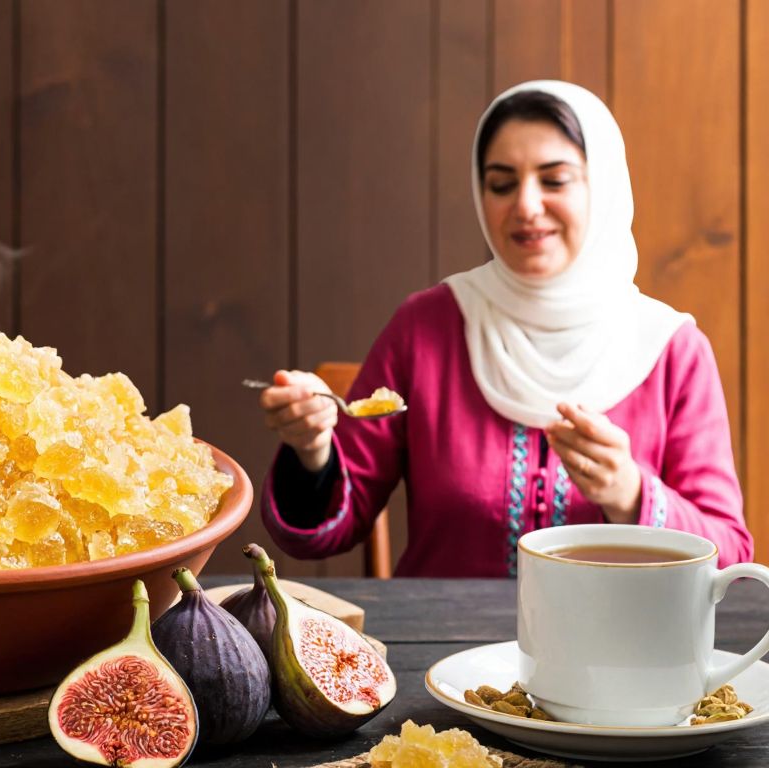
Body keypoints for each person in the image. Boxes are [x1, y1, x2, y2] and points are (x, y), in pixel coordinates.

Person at [257, 80, 749, 577]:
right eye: (501, 183)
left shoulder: (670, 349)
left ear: (603, 186)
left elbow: (729, 553)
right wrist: (313, 448)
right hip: (441, 645)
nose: (526, 207)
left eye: (554, 180)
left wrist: (631, 493)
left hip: (625, 648)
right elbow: (330, 527)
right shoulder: (428, 326)